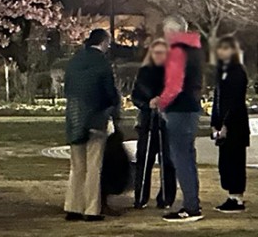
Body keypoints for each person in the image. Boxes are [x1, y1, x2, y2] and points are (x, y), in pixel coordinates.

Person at [63, 29, 121, 222]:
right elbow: (109, 93)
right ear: (104, 42)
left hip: (74, 118)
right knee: (94, 166)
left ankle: (73, 206)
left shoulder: (74, 62)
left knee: (77, 166)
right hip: (96, 118)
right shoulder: (102, 64)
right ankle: (91, 209)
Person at [152, 15, 204, 223]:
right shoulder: (194, 50)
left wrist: (161, 101)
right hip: (191, 107)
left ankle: (191, 206)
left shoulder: (177, 51)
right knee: (188, 157)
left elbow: (174, 85)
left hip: (179, 109)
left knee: (181, 158)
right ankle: (192, 202)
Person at [131, 39, 176, 210]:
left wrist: (163, 101)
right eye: (155, 52)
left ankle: (166, 197)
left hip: (166, 122)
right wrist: (147, 103)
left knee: (167, 161)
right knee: (144, 159)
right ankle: (141, 196)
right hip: (147, 122)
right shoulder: (144, 73)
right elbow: (136, 96)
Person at [211, 36, 250, 213]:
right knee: (225, 162)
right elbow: (217, 99)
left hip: (236, 124)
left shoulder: (238, 72)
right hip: (223, 123)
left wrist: (226, 124)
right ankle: (231, 195)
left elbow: (235, 101)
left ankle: (237, 197)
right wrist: (215, 123)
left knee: (235, 160)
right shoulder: (222, 71)